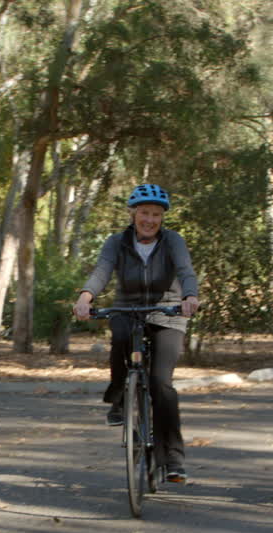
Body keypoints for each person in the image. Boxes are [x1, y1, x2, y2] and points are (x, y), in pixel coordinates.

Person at [72, 183, 200, 483]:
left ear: (162, 217)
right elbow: (102, 270)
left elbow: (185, 271)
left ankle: (172, 459)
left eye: (156, 214)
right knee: (119, 338)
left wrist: (189, 297)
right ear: (133, 213)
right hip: (127, 308)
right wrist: (85, 298)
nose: (150, 220)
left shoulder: (173, 241)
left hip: (168, 311)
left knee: (161, 384)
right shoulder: (117, 242)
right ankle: (119, 395)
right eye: (144, 213)